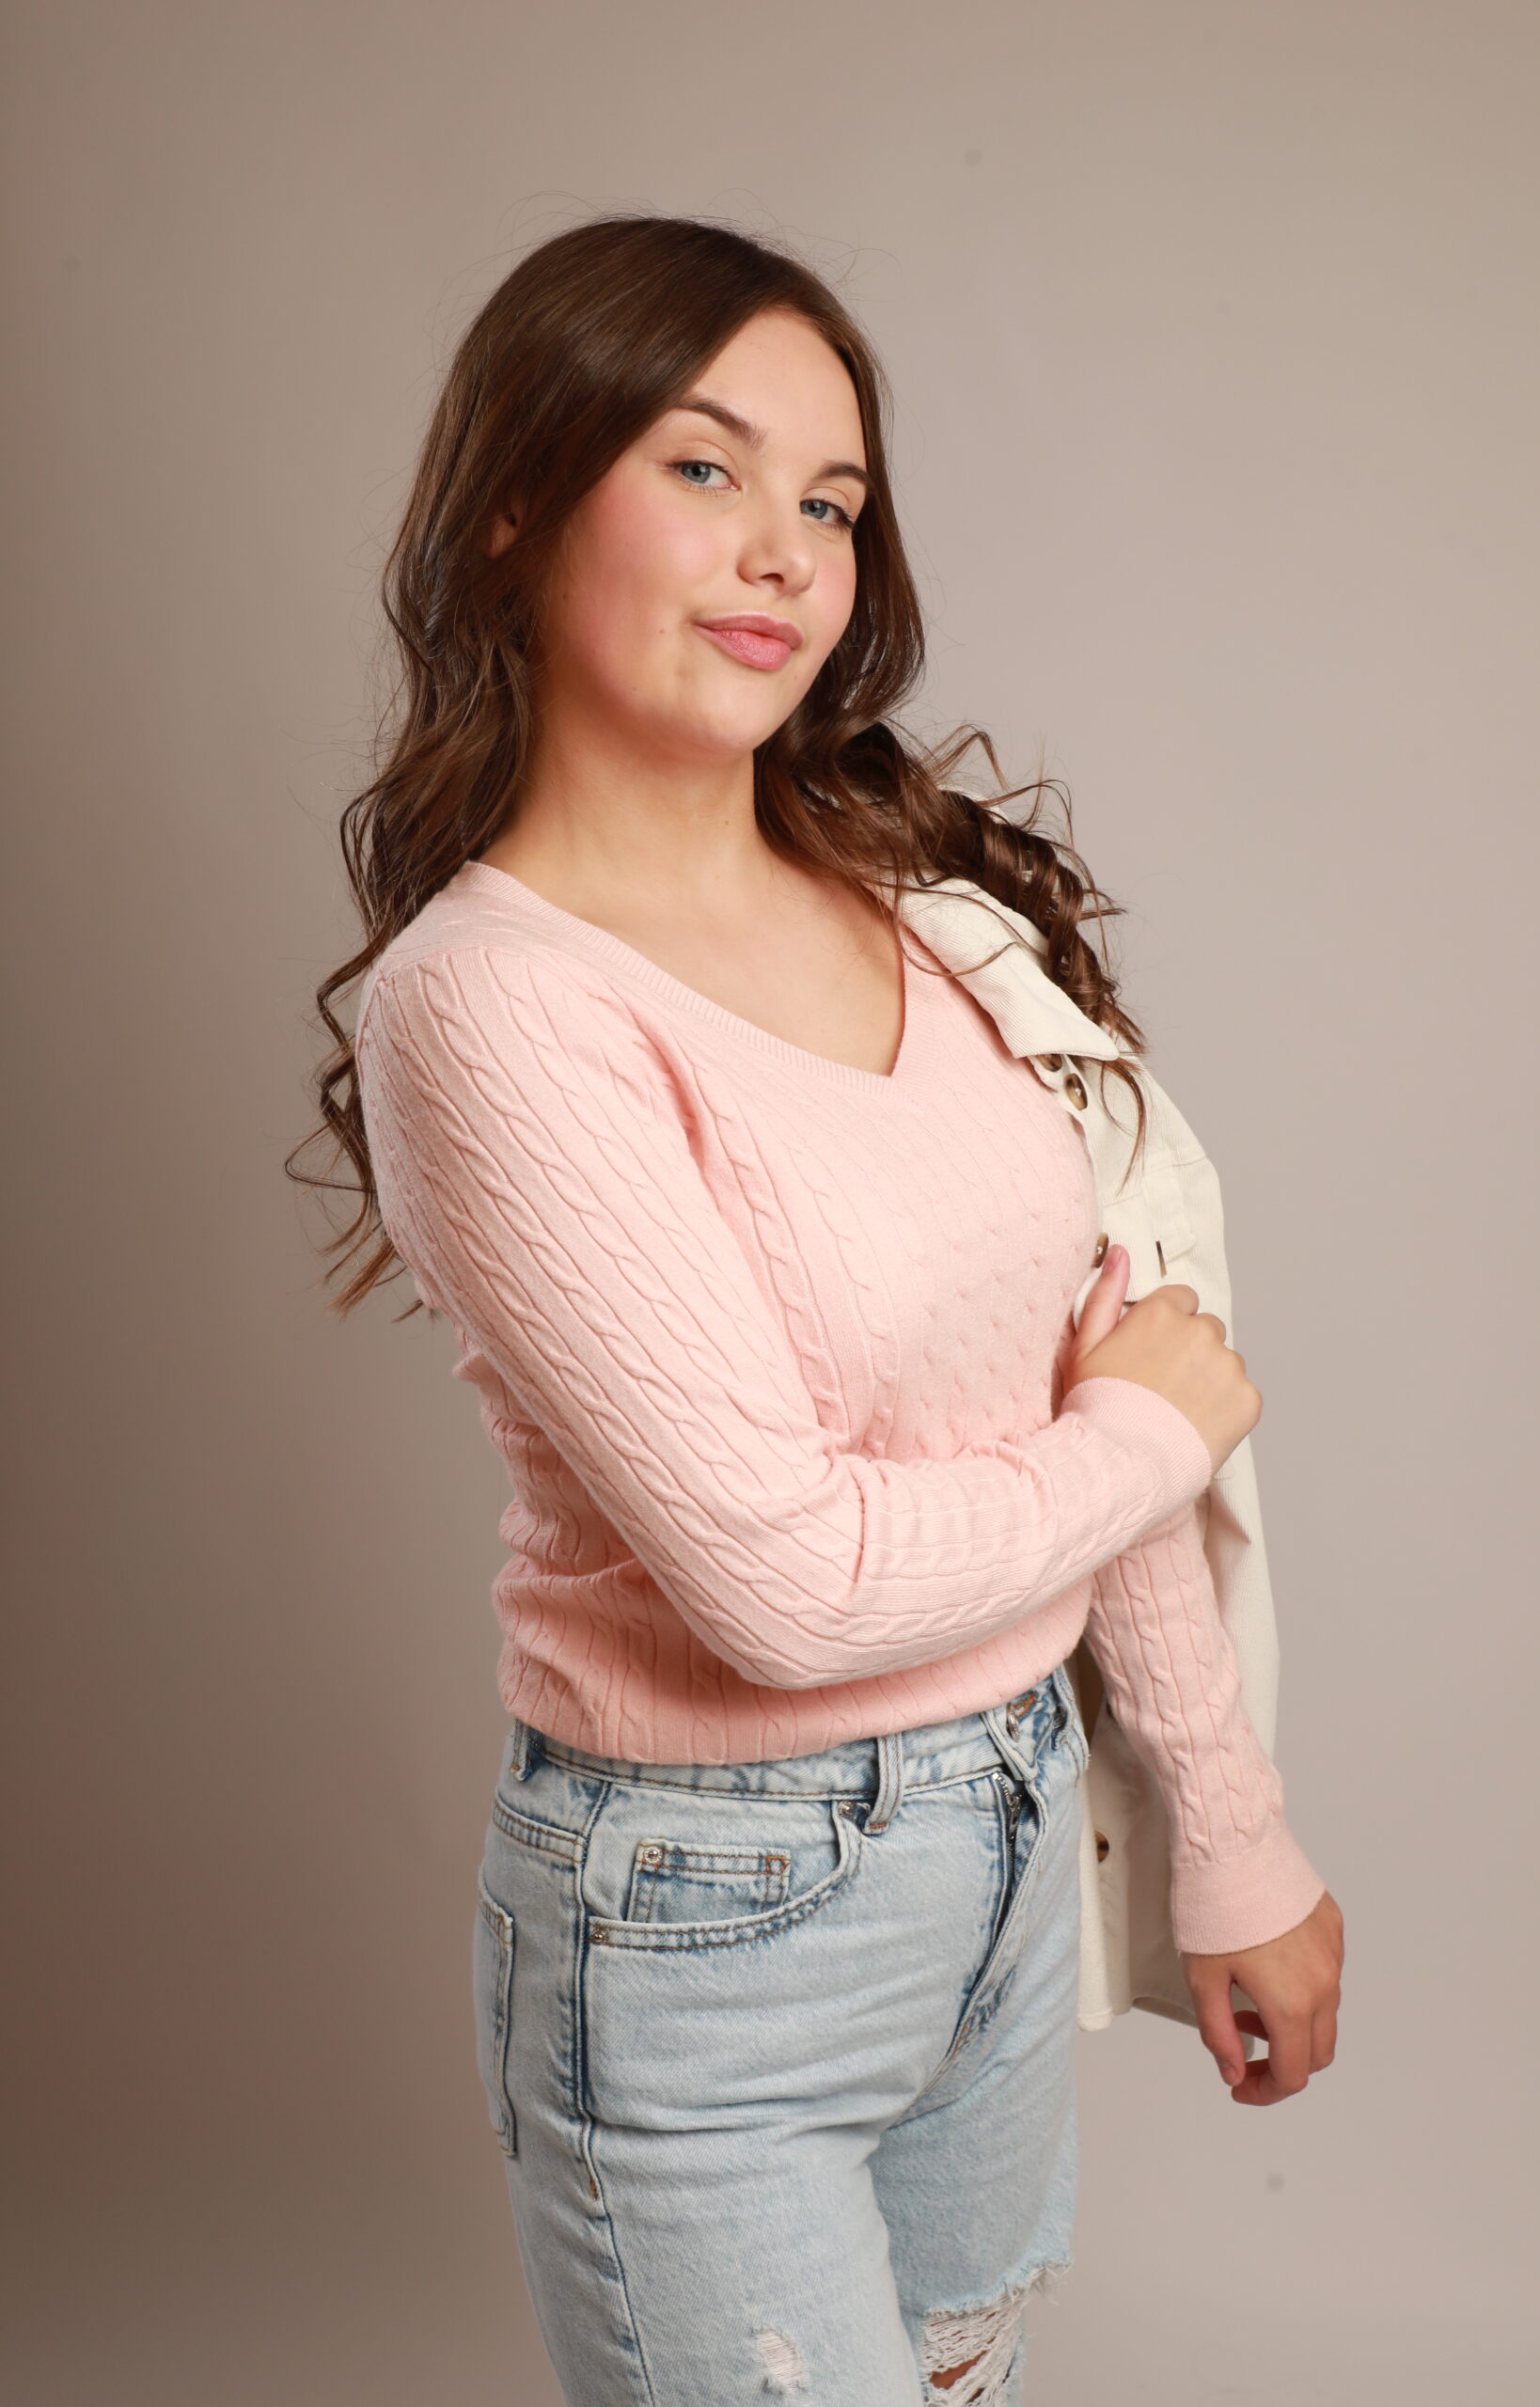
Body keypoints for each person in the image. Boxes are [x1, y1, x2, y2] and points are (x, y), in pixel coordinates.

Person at [295, 213, 1344, 2406]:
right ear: (513, 507)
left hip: (1003, 1856)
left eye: (833, 501)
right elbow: (790, 1578)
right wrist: (1145, 1430)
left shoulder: (923, 918)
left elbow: (1081, 1378)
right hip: (706, 1927)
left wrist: (1226, 1827)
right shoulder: (489, 1010)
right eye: (702, 467)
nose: (784, 549)